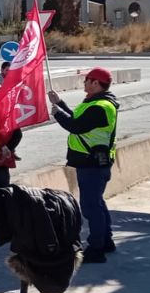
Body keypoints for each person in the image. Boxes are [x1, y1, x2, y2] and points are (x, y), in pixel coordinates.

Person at [48, 68, 119, 263]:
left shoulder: (101, 106)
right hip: (93, 162)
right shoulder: (95, 103)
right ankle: (106, 241)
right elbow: (78, 119)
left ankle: (96, 249)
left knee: (90, 207)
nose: (84, 82)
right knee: (97, 203)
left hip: (92, 163)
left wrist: (57, 114)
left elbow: (76, 126)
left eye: (87, 80)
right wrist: (60, 104)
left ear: (96, 83)